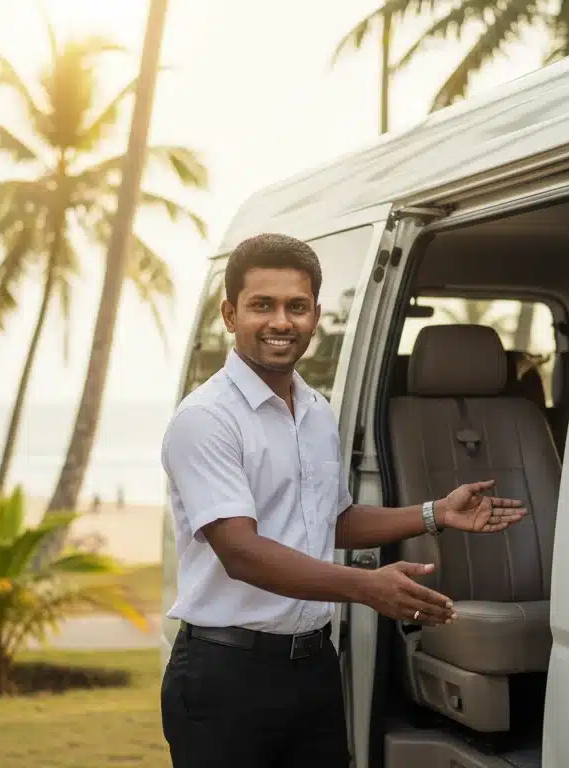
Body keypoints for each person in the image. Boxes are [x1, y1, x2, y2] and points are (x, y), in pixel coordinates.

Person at [159, 233, 530, 768]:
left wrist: (434, 513)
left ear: (314, 315)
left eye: (297, 306)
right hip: (225, 675)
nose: (281, 322)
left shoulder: (315, 410)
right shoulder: (206, 419)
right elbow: (240, 551)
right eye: (262, 305)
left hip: (313, 669)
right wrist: (368, 586)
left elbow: (334, 520)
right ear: (230, 313)